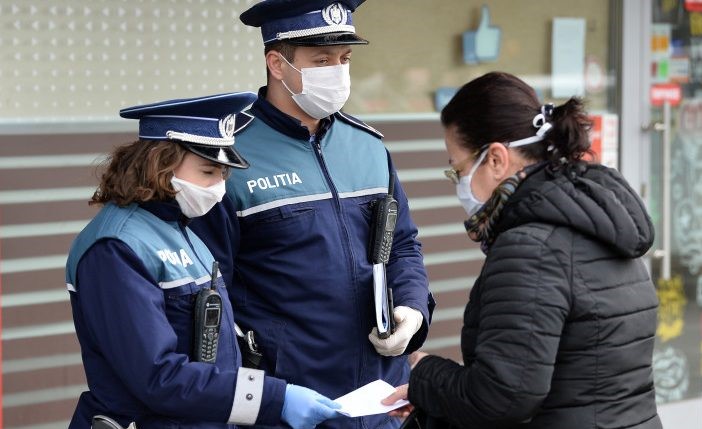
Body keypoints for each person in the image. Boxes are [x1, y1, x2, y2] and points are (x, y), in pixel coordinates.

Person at [190, 2, 434, 428]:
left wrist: (413, 310)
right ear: (276, 64)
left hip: (382, 400)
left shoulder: (368, 145)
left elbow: (402, 245)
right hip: (289, 404)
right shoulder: (229, 158)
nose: (337, 72)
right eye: (322, 60)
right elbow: (209, 288)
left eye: (344, 58)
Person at [382, 72, 662, 429]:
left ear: (496, 159)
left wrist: (425, 375)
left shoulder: (530, 249)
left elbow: (502, 397)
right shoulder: (599, 222)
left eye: (458, 170)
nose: (459, 184)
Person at [65, 92, 342, 429]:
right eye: (208, 171)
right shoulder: (116, 247)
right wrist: (274, 399)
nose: (218, 188)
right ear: (160, 163)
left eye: (224, 174)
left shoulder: (181, 229)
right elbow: (157, 376)